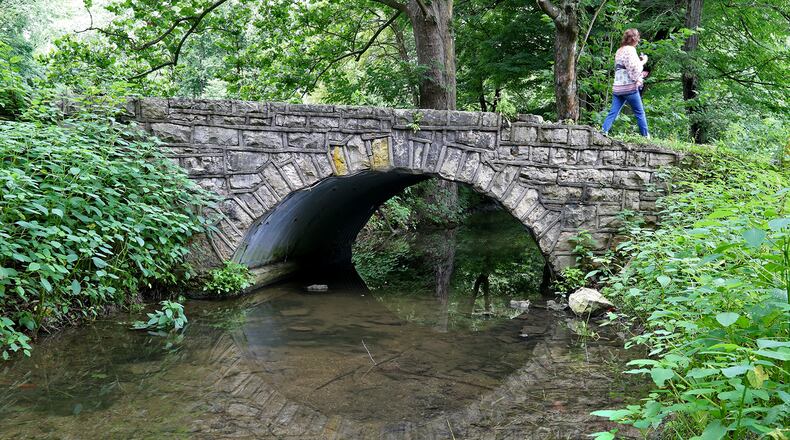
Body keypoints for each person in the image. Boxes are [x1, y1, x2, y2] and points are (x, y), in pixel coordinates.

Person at [602, 28, 650, 137]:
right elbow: (634, 68)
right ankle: (646, 136)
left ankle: (603, 131)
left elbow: (623, 67)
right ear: (635, 39)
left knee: (613, 112)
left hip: (618, 88)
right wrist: (644, 61)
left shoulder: (619, 50)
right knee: (639, 113)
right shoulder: (630, 50)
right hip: (629, 88)